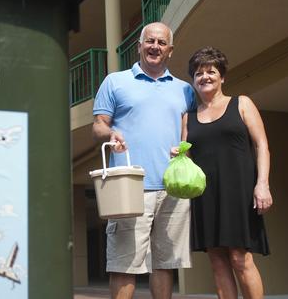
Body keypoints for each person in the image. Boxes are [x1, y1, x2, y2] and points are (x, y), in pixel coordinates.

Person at [92, 22, 195, 299]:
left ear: (170, 50)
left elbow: (187, 132)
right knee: (124, 265)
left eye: (161, 43)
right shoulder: (115, 81)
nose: (154, 47)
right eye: (149, 41)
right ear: (138, 46)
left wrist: (184, 151)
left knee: (164, 265)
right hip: (129, 185)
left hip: (173, 187)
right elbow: (98, 125)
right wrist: (111, 133)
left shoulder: (184, 90)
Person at [182, 46, 272, 299]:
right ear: (193, 81)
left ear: (222, 77)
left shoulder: (242, 103)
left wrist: (262, 184)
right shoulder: (188, 118)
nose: (205, 77)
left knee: (240, 258)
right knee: (217, 261)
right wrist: (177, 156)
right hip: (205, 196)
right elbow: (186, 157)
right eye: (198, 73)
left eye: (211, 71)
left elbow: (262, 145)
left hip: (238, 191)